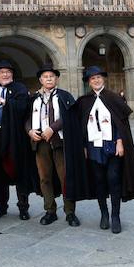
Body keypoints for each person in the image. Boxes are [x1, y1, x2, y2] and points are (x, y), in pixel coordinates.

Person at [76, 66, 134, 234]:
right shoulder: (84, 101)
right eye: (92, 78)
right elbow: (82, 127)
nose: (96, 80)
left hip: (112, 145)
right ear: (89, 82)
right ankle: (104, 214)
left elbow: (121, 124)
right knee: (99, 181)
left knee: (114, 180)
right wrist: (84, 147)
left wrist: (120, 142)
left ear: (103, 79)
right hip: (94, 146)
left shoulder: (114, 98)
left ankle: (116, 216)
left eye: (99, 77)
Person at [25, 65, 89, 226]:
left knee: (65, 177)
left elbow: (69, 116)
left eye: (51, 77)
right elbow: (26, 119)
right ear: (40, 80)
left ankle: (70, 212)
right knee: (44, 178)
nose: (48, 79)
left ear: (56, 79)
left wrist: (52, 129)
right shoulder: (34, 98)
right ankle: (50, 210)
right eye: (45, 77)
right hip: (40, 144)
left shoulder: (64, 96)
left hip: (60, 143)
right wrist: (30, 131)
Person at [0, 60, 35, 220]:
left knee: (19, 170)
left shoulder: (19, 88)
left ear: (12, 74)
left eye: (8, 72)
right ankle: (1, 206)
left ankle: (23, 207)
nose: (4, 75)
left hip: (15, 136)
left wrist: (2, 101)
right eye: (1, 72)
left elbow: (23, 107)